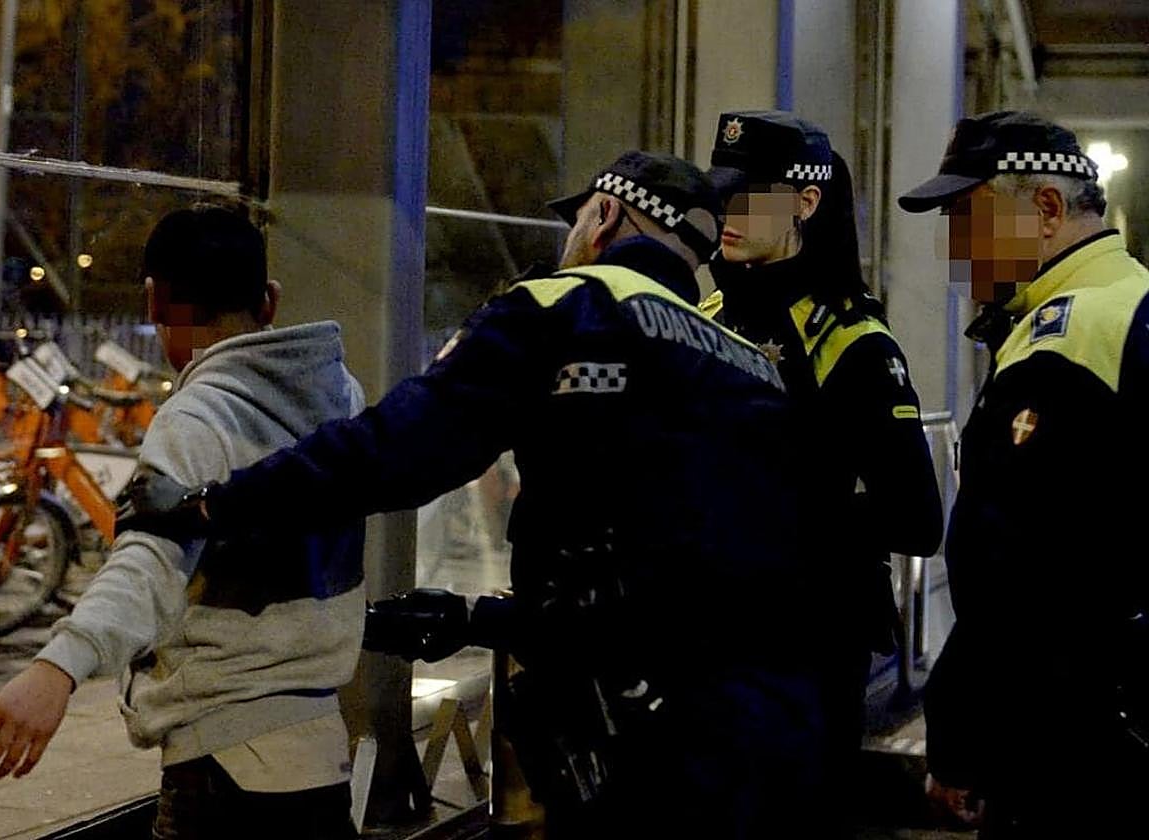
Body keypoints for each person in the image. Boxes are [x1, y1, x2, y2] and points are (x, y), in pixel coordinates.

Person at [117, 151, 826, 838]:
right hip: (777, 723)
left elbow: (393, 451)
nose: (572, 236)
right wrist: (473, 618)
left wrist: (212, 503)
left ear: (605, 214)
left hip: (645, 744)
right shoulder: (746, 362)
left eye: (578, 218)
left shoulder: (562, 307)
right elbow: (686, 569)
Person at [0, 206, 368, 840]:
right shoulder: (341, 396)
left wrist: (57, 667)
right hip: (317, 750)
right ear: (270, 302)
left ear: (155, 304)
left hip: (227, 764)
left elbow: (150, 558)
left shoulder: (198, 419)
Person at [899, 111, 1149, 837]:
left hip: (1072, 746)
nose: (954, 250)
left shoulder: (1065, 342)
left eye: (967, 219)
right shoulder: (1130, 306)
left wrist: (959, 741)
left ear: (1045, 210)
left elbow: (1013, 579)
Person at [702, 110, 944, 832]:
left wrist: (780, 514)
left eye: (750, 196)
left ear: (806, 202)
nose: (727, 214)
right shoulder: (700, 313)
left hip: (803, 649)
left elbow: (918, 518)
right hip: (706, 642)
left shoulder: (853, 341)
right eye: (722, 193)